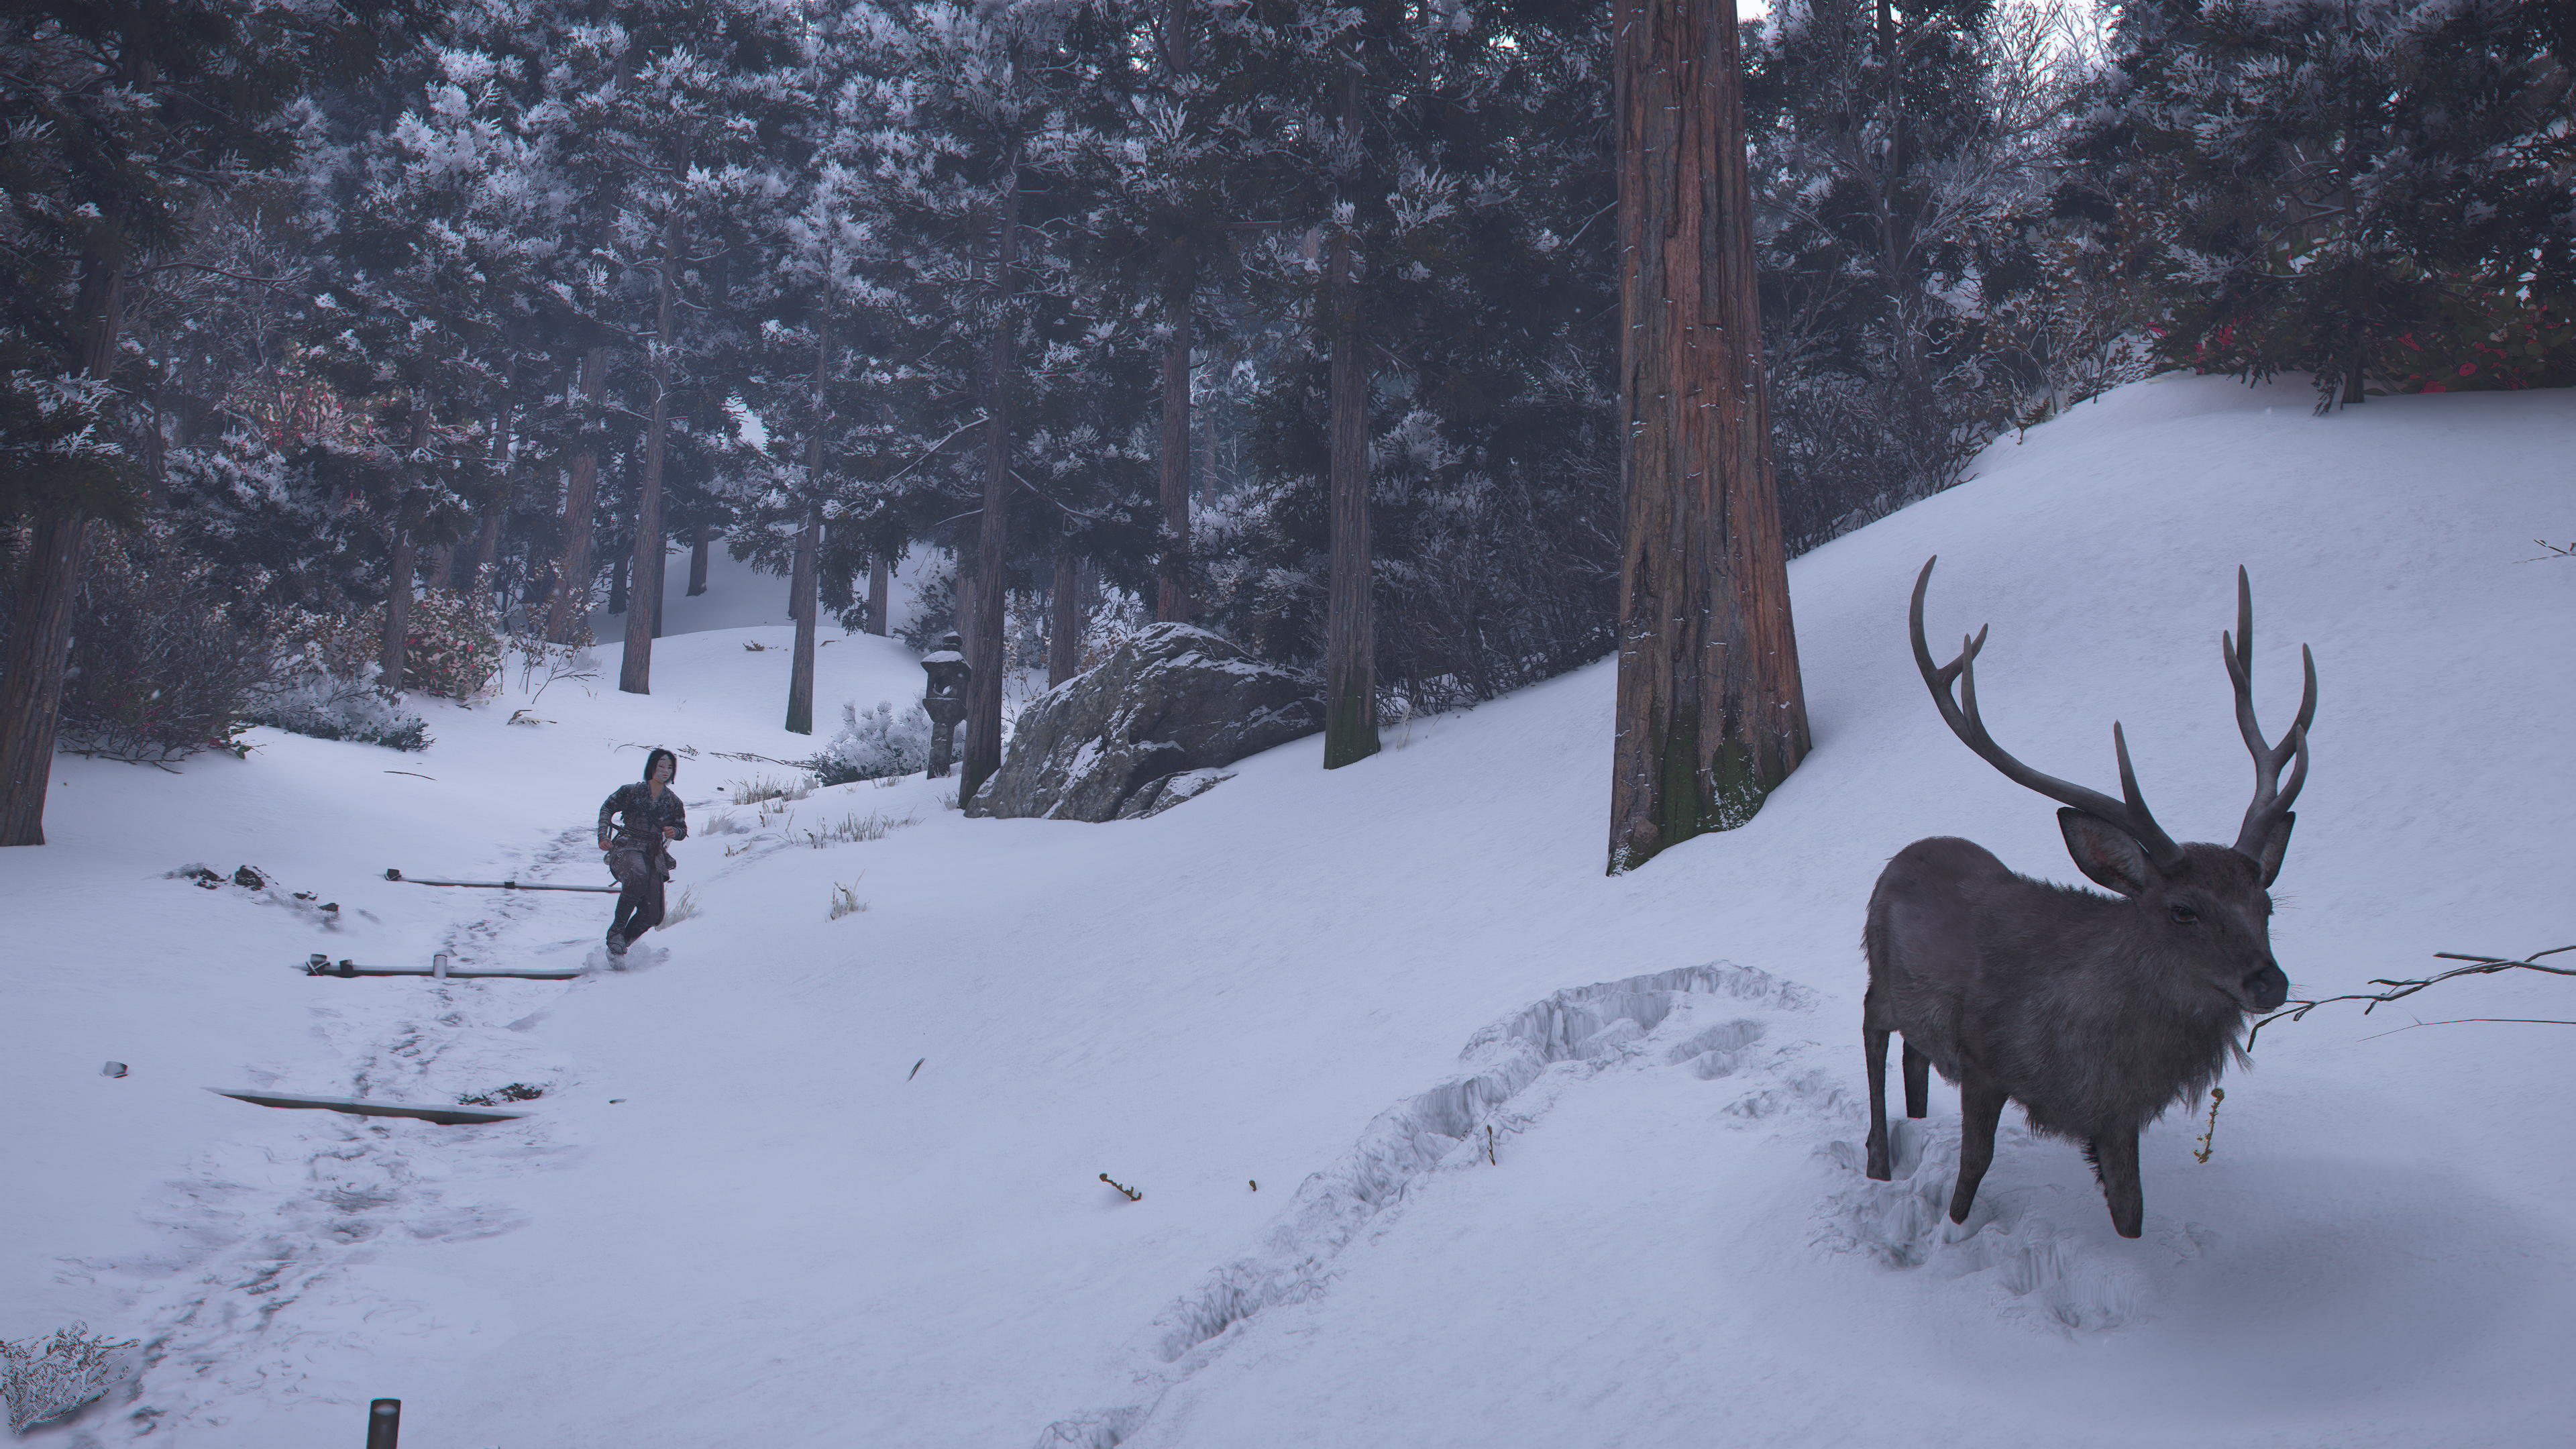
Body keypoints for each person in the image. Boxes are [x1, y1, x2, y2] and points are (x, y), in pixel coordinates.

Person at [598, 748, 688, 956]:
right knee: (638, 874)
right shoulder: (630, 790)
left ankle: (619, 947)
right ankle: (616, 933)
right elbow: (607, 808)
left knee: (653, 915)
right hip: (626, 846)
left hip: (654, 854)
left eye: (670, 767)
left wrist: (675, 831)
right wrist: (603, 836)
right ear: (652, 767)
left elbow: (682, 829)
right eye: (661, 766)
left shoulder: (674, 802)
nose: (666, 771)